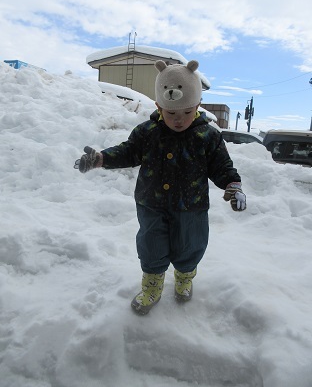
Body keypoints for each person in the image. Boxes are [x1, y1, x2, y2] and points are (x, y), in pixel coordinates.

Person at [74, 60, 246, 315]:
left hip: (191, 207)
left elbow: (221, 166)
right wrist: (102, 158)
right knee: (151, 246)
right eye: (171, 114)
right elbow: (128, 152)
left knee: (190, 246)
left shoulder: (208, 136)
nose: (179, 120)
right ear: (159, 106)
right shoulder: (148, 132)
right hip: (151, 204)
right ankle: (152, 285)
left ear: (197, 106)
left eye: (187, 113)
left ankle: (184, 279)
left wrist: (233, 185)